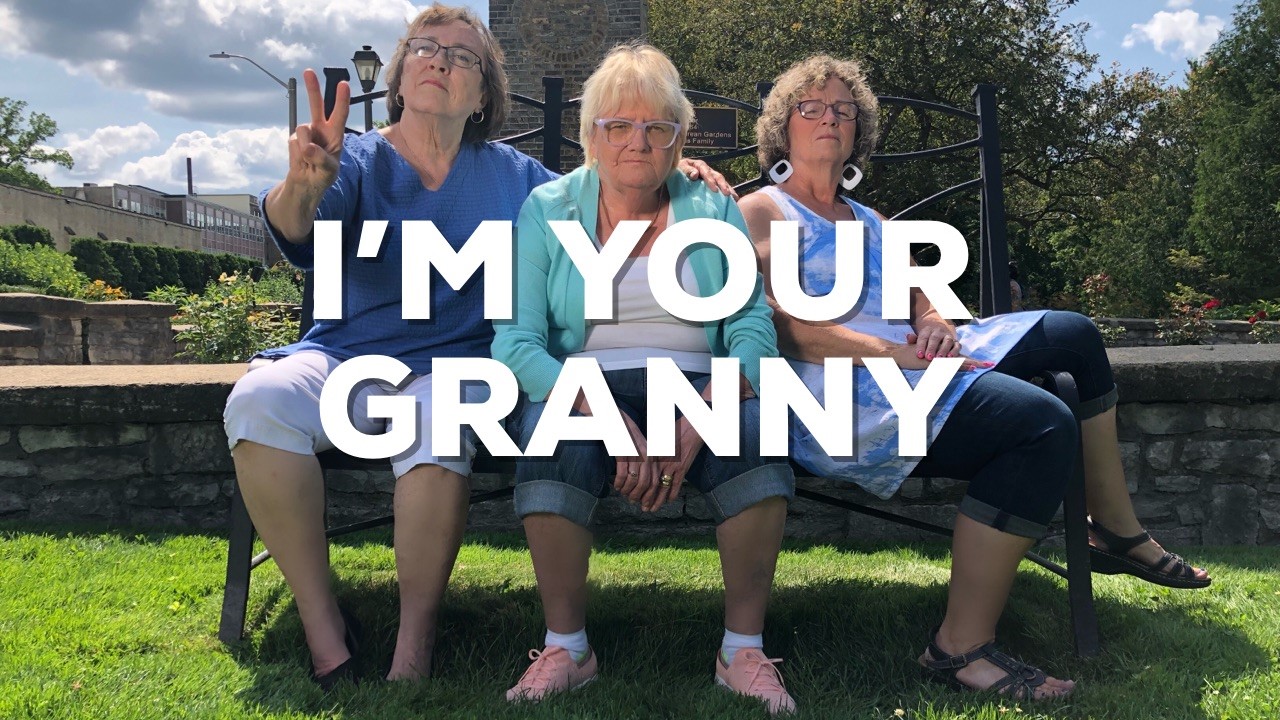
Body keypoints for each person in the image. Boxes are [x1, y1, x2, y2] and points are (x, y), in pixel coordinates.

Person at [222, 4, 731, 690]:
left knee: (437, 424)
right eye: (426, 50)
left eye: (462, 57)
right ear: (401, 78)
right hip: (343, 358)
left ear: (484, 93)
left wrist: (679, 169)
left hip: (455, 370)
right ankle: (326, 634)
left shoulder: (516, 178)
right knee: (259, 401)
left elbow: (613, 196)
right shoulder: (355, 158)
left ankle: (413, 645)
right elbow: (294, 222)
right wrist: (302, 184)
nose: (440, 61)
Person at [738, 55, 1210, 701]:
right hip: (838, 390)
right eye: (811, 108)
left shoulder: (871, 222)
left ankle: (1116, 529)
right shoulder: (762, 212)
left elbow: (924, 301)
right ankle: (957, 649)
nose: (829, 118)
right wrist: (891, 351)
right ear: (782, 129)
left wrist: (935, 327)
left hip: (907, 361)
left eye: (843, 110)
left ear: (858, 132)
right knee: (1041, 422)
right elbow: (776, 326)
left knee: (1072, 332)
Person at [492, 44, 797, 714]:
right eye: (619, 126)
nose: (639, 141)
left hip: (697, 381)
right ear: (590, 136)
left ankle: (742, 648)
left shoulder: (713, 210)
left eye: (658, 128)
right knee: (551, 434)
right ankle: (567, 648)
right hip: (583, 383)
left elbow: (750, 326)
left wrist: (702, 419)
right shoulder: (549, 209)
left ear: (679, 139)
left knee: (755, 428)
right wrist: (602, 410)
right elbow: (515, 344)